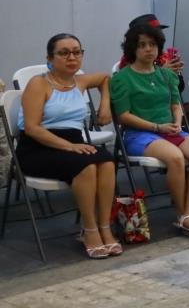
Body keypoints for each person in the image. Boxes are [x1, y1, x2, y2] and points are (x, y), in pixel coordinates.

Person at [16, 34, 120, 259]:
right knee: (87, 166)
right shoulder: (38, 84)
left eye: (77, 52)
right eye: (64, 53)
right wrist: (69, 147)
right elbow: (33, 128)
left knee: (107, 161)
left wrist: (105, 106)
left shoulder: (79, 81)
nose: (72, 57)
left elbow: (105, 79)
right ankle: (89, 230)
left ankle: (105, 227)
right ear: (50, 58)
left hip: (73, 142)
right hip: (38, 146)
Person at [112, 24, 189, 237]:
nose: (149, 49)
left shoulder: (167, 75)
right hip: (138, 134)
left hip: (169, 129)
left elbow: (176, 104)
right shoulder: (122, 78)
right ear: (132, 49)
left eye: (153, 44)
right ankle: (181, 213)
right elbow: (123, 115)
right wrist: (158, 127)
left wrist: (177, 122)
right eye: (142, 45)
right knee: (175, 158)